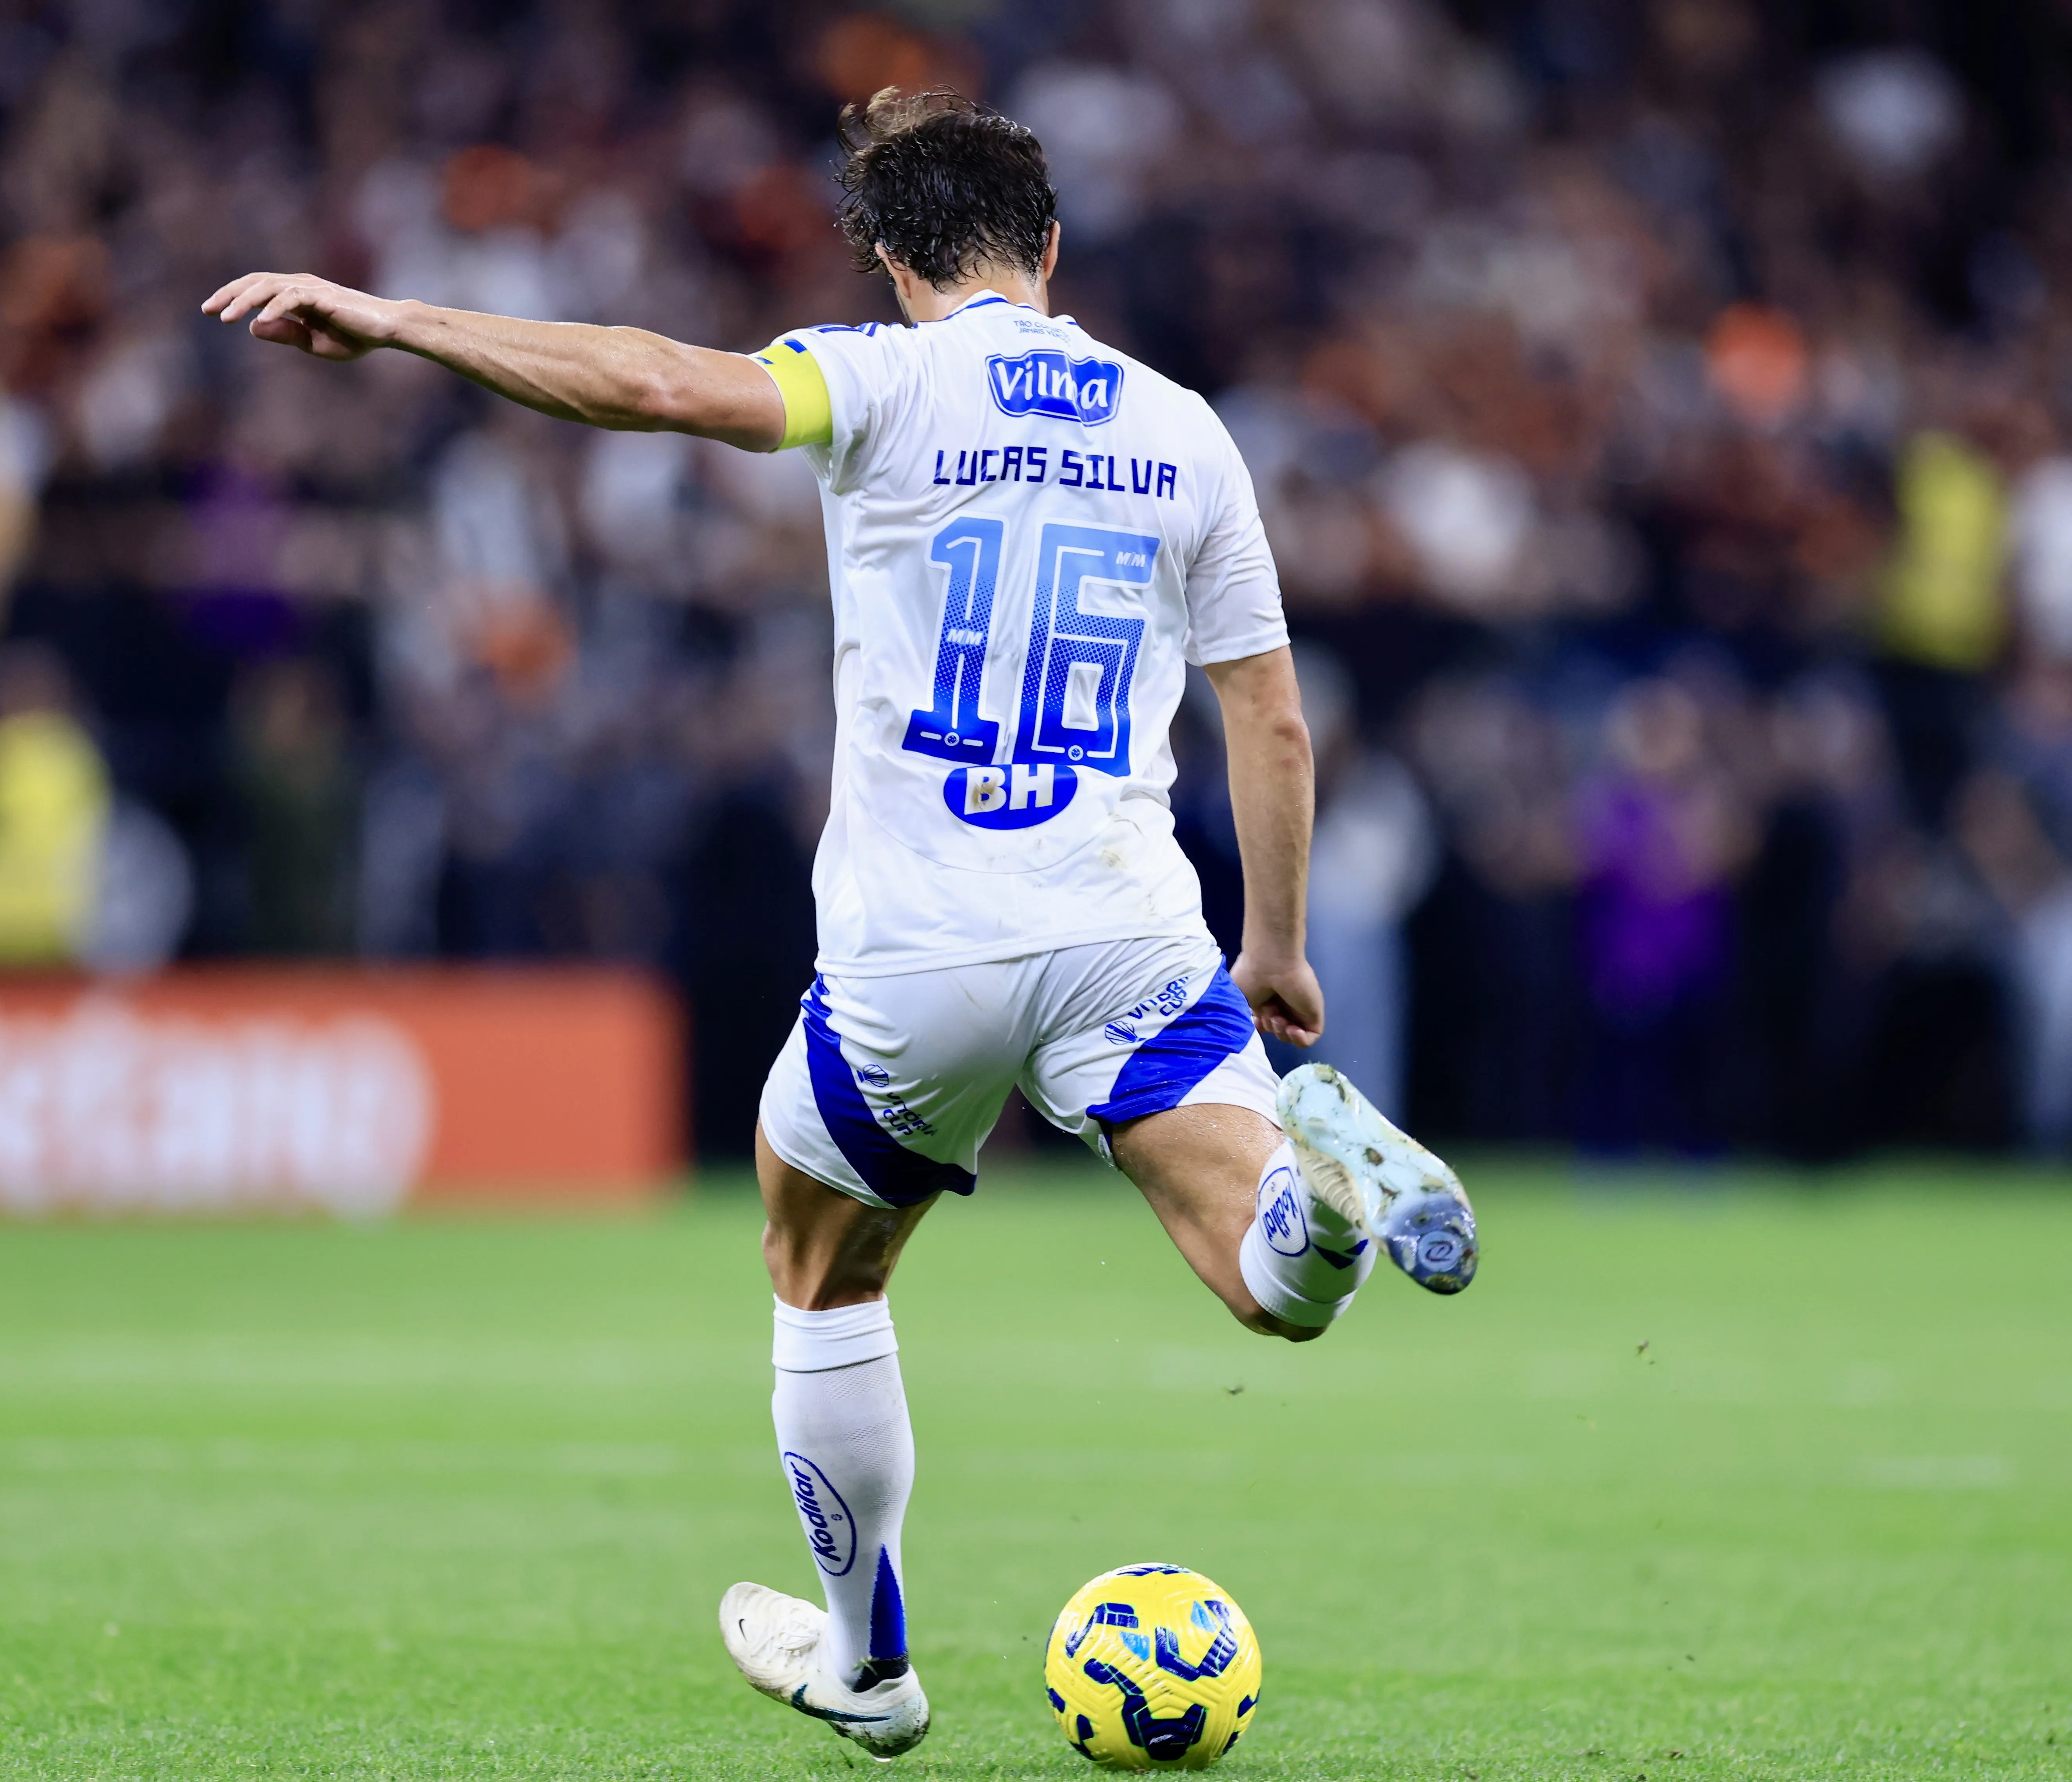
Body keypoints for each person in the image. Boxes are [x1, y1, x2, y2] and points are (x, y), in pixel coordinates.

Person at [205, 86, 1478, 1762]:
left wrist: (398, 319)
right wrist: (1280, 950)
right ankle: (1320, 1213)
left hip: (915, 957)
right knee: (1263, 1295)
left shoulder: (874, 376)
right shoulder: (1185, 430)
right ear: (1049, 249)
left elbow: (659, 381)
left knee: (821, 1270)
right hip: (1129, 935)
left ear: (891, 263)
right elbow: (1276, 723)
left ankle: (870, 1667)